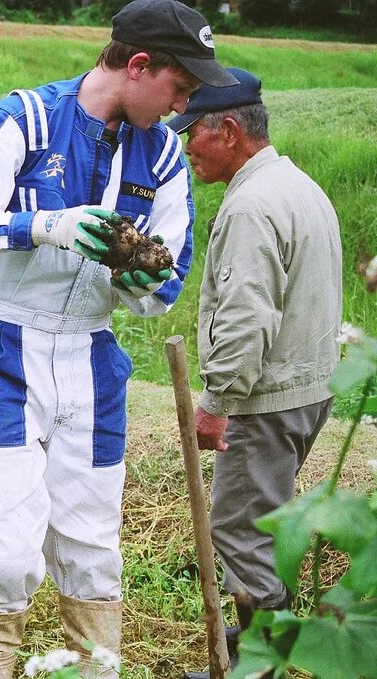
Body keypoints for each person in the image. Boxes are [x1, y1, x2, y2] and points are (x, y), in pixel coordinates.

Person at [0, 0, 238, 675]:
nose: (184, 105)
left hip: (91, 358)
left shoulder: (166, 158)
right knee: (7, 550)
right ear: (139, 64)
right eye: (179, 88)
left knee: (93, 549)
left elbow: (167, 284)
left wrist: (129, 266)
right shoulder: (24, 120)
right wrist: (43, 226)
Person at [166, 68, 342, 678]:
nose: (186, 147)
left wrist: (216, 400)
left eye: (193, 133)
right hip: (306, 387)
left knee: (241, 533)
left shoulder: (251, 205)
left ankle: (255, 668)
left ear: (230, 130)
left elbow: (246, 318)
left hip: (264, 400)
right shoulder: (298, 186)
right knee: (264, 524)